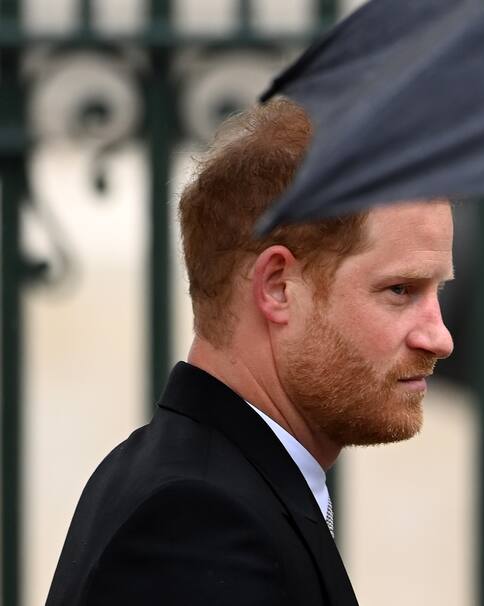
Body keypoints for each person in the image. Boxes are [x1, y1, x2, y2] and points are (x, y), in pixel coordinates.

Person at [46, 98, 455, 605]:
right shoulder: (195, 524)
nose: (439, 337)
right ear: (279, 287)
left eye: (439, 292)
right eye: (400, 290)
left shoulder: (210, 489)